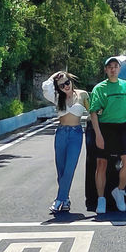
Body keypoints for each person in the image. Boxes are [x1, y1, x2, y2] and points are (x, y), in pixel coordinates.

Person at [89, 56, 126, 213]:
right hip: (104, 128)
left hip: (121, 128)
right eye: (109, 66)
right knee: (101, 164)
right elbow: (93, 112)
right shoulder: (99, 88)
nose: (113, 69)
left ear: (119, 69)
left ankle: (119, 191)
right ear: (105, 70)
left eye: (115, 66)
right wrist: (98, 135)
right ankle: (101, 199)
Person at [41, 71, 89, 213]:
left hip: (76, 134)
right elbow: (45, 87)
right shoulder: (57, 97)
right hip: (61, 134)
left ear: (71, 81)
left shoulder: (82, 94)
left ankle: (59, 200)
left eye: (67, 82)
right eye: (61, 85)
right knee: (61, 169)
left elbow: (93, 110)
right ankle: (66, 200)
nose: (65, 86)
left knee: (69, 168)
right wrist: (53, 76)